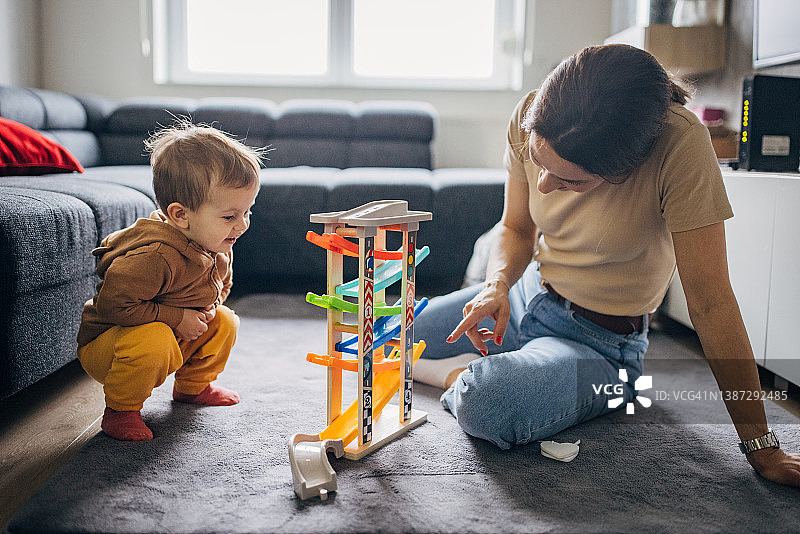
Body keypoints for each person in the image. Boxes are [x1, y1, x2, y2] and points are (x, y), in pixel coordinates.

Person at [415, 44, 800, 486]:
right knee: (384, 332)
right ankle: (488, 364)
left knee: (489, 402)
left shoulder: (680, 146)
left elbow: (711, 303)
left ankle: (458, 373)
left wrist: (762, 446)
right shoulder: (535, 114)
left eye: (570, 180)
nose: (544, 183)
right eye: (540, 162)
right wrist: (496, 285)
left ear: (624, 167)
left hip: (601, 344)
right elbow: (517, 228)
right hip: (525, 298)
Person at [76, 122, 264, 441]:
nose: (242, 225)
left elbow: (221, 287)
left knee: (225, 321)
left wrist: (205, 312)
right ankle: (121, 411)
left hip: (169, 331)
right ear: (180, 215)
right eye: (230, 216)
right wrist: (177, 318)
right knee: (155, 339)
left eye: (248, 211)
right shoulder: (154, 257)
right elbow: (112, 307)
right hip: (111, 342)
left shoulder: (217, 243)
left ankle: (192, 389)